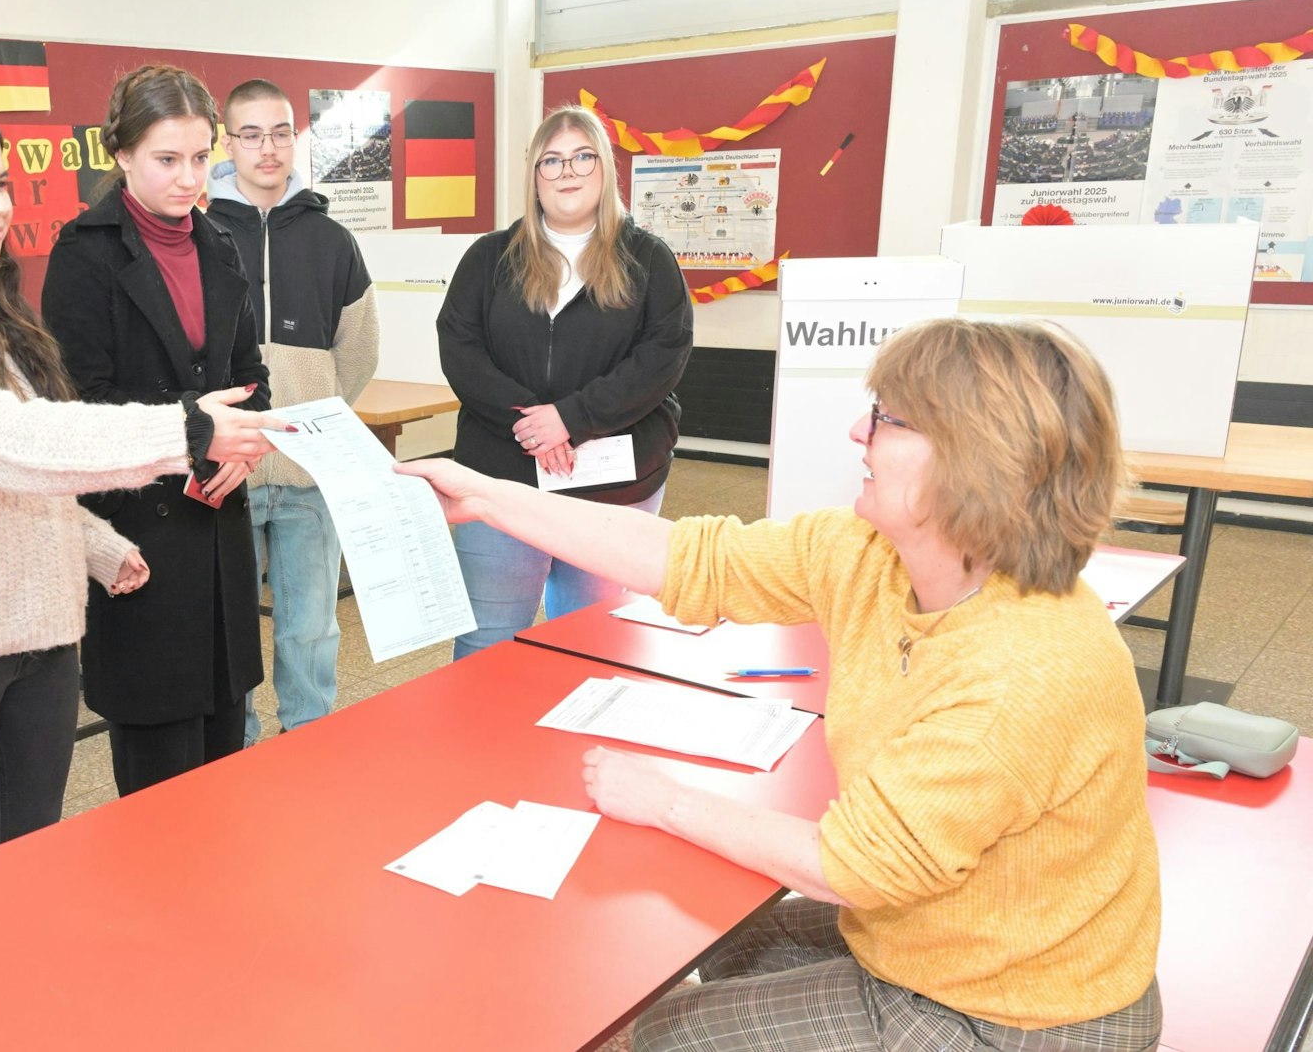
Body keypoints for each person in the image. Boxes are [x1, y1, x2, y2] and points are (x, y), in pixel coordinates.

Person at [399, 318, 1162, 1051]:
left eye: (888, 420)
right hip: (939, 926)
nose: (859, 434)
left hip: (1021, 1015)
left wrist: (663, 799)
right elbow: (694, 560)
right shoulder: (873, 552)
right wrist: (485, 495)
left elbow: (853, 866)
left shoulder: (1024, 665)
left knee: (675, 1033)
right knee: (734, 940)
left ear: (973, 457)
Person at [0, 92, 283, 896]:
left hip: (32, 632)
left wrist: (98, 546)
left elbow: (20, 465)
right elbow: (7, 443)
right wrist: (185, 431)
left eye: (2, 183)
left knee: (26, 859)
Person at [43, 64, 270, 794]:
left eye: (202, 158)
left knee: (224, 759)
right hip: (143, 528)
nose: (188, 178)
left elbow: (249, 372)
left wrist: (243, 447)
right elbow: (84, 406)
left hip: (221, 526)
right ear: (122, 155)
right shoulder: (85, 254)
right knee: (160, 789)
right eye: (167, 159)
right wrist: (196, 439)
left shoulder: (221, 243)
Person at [437, 104, 692, 659]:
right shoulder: (489, 258)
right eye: (551, 161)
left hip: (613, 486)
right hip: (502, 479)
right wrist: (531, 422)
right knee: (487, 640)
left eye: (582, 156)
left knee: (592, 643)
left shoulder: (648, 258)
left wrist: (572, 419)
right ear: (534, 177)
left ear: (604, 169)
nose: (567, 171)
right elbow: (460, 349)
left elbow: (662, 357)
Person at [205, 78, 378, 745]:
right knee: (233, 635)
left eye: (280, 132)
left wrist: (315, 415)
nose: (267, 147)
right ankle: (242, 755)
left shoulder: (332, 239)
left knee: (310, 629)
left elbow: (357, 351)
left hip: (310, 474)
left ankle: (309, 748)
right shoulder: (199, 233)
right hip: (232, 477)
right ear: (229, 142)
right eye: (251, 133)